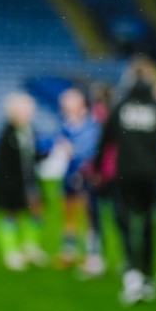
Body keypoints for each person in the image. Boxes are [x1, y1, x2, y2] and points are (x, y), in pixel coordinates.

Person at [95, 58, 156, 305]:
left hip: (124, 173)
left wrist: (95, 168)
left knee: (124, 220)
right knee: (149, 223)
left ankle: (131, 273)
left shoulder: (121, 105)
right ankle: (145, 274)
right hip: (151, 174)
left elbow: (105, 140)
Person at [0, 92, 49, 271]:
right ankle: (11, 253)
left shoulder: (29, 129)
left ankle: (30, 247)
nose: (29, 114)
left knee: (36, 212)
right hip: (12, 185)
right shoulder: (7, 132)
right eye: (25, 110)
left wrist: (48, 153)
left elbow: (31, 158)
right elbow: (5, 165)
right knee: (11, 215)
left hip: (30, 182)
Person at [55, 88, 105, 276]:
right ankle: (68, 251)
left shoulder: (91, 125)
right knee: (68, 214)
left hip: (86, 175)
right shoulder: (65, 125)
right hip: (69, 173)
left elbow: (90, 150)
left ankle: (92, 253)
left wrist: (73, 150)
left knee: (89, 214)